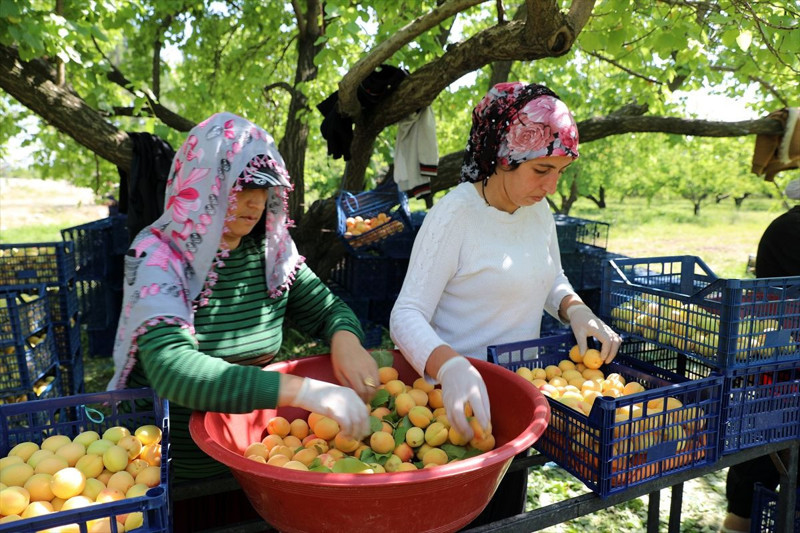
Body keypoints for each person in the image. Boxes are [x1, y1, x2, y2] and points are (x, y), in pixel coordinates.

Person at [109, 112, 379, 531]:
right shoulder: (160, 257)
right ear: (203, 186)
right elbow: (174, 369)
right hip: (176, 475)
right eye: (242, 188)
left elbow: (328, 309)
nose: (256, 203)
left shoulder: (269, 252)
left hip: (257, 459)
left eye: (265, 189)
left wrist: (345, 337)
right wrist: (304, 391)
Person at [389, 82, 622, 525]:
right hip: (454, 408)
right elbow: (406, 314)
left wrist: (575, 309)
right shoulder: (454, 215)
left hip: (519, 401)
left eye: (560, 171)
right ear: (502, 156)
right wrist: (450, 365)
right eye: (541, 169)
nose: (551, 185)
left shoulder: (537, 211)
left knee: (507, 515)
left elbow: (550, 276)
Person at [720, 176, 800, 533]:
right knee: (762, 458)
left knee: (760, 458)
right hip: (784, 367)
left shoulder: (785, 226)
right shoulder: (791, 230)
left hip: (778, 363)